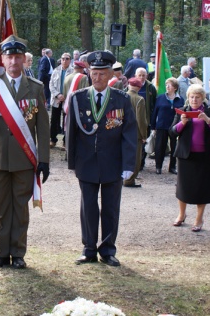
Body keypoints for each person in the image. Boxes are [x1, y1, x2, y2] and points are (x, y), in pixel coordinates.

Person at [0, 35, 50, 270]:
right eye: (9, 57)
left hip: (24, 159)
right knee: (0, 208)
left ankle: (18, 253)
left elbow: (43, 127)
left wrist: (44, 160)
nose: (14, 61)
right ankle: (1, 253)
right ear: (3, 60)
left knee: (20, 208)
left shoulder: (35, 88)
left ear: (25, 60)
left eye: (18, 57)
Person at [66, 50, 137, 267]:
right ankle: (88, 249)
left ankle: (107, 250)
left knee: (110, 208)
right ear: (89, 74)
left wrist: (128, 164)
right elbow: (71, 132)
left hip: (112, 163)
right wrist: (72, 162)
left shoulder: (121, 99)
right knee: (88, 207)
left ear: (110, 76)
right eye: (94, 73)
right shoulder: (78, 98)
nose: (98, 78)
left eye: (103, 73)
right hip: (86, 162)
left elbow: (130, 133)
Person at [169, 84, 210, 232]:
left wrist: (207, 120)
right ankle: (181, 215)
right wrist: (182, 122)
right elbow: (172, 132)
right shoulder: (183, 111)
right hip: (185, 155)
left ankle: (199, 218)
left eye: (197, 97)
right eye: (192, 97)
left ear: (203, 98)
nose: (194, 99)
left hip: (205, 156)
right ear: (188, 98)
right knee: (183, 186)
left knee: (202, 188)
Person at [151, 77, 184, 175]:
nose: (167, 86)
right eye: (166, 85)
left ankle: (172, 167)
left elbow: (182, 112)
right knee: (160, 147)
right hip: (161, 125)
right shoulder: (160, 97)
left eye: (169, 85)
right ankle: (158, 166)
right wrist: (153, 126)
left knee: (174, 147)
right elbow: (155, 112)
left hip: (174, 127)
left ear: (175, 87)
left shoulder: (180, 99)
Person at [123, 77, 147, 188]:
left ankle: (122, 177)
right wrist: (144, 135)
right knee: (135, 158)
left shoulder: (122, 96)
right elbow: (140, 119)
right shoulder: (139, 99)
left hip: (122, 131)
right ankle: (129, 180)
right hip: (135, 133)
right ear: (139, 88)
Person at [49, 52, 73, 148]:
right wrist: (58, 95)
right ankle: (53, 139)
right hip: (56, 100)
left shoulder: (72, 71)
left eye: (67, 59)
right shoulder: (56, 70)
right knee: (54, 120)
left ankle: (65, 141)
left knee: (66, 120)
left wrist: (65, 97)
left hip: (67, 100)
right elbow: (51, 85)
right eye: (63, 58)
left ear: (70, 60)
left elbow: (73, 87)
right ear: (61, 59)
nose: (65, 60)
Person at [135, 67, 157, 170]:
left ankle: (141, 163)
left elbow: (154, 104)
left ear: (147, 76)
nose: (141, 77)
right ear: (136, 76)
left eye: (143, 75)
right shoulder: (132, 86)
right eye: (139, 75)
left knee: (144, 141)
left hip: (146, 120)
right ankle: (134, 162)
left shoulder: (151, 87)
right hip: (134, 120)